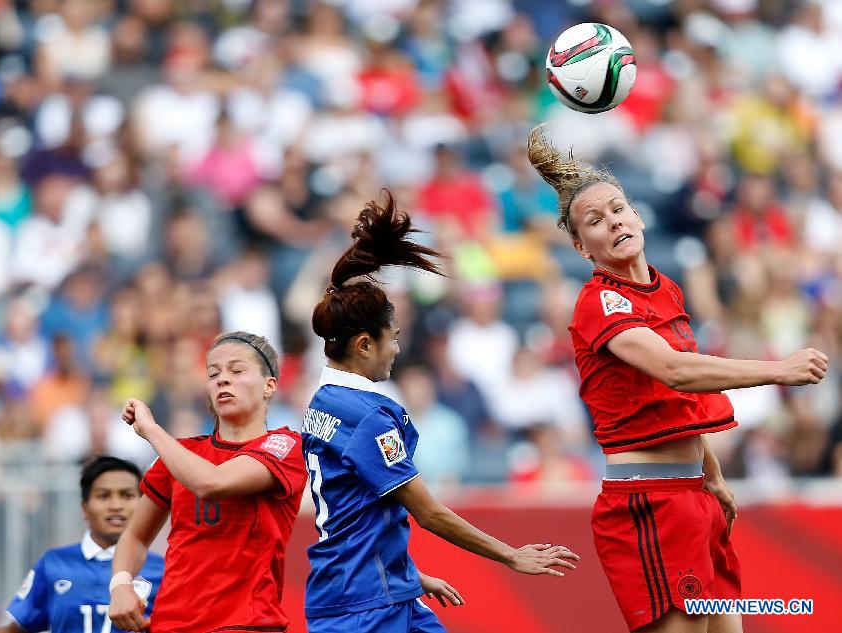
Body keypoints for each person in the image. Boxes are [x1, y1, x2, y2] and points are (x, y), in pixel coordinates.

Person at [526, 125, 829, 633]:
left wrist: (710, 472)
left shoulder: (665, 290)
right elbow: (676, 370)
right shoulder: (600, 302)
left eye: (618, 209)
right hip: (649, 503)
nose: (614, 222)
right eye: (595, 221)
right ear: (582, 248)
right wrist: (778, 370)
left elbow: (671, 397)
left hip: (693, 497)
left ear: (638, 215)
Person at [302, 192, 580, 633]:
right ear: (363, 345)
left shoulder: (323, 402)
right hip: (363, 604)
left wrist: (411, 574)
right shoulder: (367, 416)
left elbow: (358, 508)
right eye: (391, 337)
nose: (396, 348)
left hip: (379, 586)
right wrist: (511, 554)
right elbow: (428, 512)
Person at [109, 331, 307, 632]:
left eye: (237, 370)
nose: (222, 380)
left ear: (270, 386)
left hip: (245, 625)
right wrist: (121, 584)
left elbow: (212, 483)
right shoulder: (181, 454)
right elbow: (135, 535)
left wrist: (151, 430)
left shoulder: (285, 446)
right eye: (213, 373)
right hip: (169, 624)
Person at [0, 456, 163, 633]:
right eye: (103, 496)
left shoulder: (162, 569)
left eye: (126, 495)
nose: (115, 505)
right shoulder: (54, 563)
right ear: (85, 508)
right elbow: (18, 629)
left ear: (143, 506)